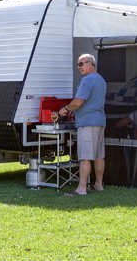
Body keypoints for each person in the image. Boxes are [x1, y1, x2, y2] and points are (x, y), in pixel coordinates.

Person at [59, 53, 107, 196]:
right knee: (99, 156)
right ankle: (98, 185)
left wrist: (65, 109)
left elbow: (78, 102)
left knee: (85, 157)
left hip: (87, 122)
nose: (79, 67)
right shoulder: (101, 80)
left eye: (82, 64)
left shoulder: (87, 80)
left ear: (91, 64)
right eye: (78, 64)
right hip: (100, 121)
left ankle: (81, 188)